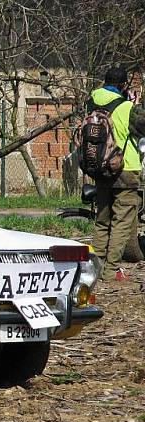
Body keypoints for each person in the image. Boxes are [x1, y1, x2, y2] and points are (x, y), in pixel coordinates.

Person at [86, 66, 145, 282]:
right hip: (125, 168)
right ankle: (111, 271)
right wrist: (135, 105)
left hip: (101, 169)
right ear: (122, 85)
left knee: (102, 220)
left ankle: (95, 268)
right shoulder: (126, 106)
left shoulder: (91, 102)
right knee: (121, 222)